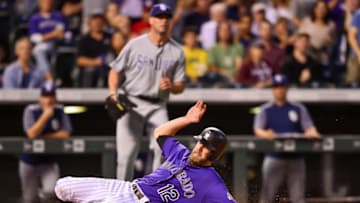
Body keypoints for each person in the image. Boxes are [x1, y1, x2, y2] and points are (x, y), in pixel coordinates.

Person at [55, 100, 237, 203]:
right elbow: (161, 133)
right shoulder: (181, 153)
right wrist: (188, 119)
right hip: (127, 188)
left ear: (213, 155)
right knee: (62, 187)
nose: (199, 147)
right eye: (200, 143)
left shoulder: (212, 183)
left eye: (205, 147)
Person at [108, 3, 186, 181]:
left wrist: (172, 86)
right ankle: (123, 197)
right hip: (131, 102)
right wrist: (113, 93)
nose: (163, 21)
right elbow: (114, 70)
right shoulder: (135, 44)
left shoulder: (177, 51)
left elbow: (181, 86)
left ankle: (153, 193)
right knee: (126, 155)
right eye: (159, 17)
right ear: (150, 20)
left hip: (157, 105)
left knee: (163, 148)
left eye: (167, 17)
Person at [254, 74, 320, 203]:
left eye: (282, 87)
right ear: (273, 89)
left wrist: (312, 132)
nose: (279, 90)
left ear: (286, 88)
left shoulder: (298, 108)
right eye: (276, 87)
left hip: (296, 158)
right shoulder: (265, 109)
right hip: (274, 157)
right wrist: (266, 134)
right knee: (267, 197)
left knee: (298, 198)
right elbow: (257, 130)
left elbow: (310, 128)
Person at [20, 81, 72, 203]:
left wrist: (43, 136)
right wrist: (45, 116)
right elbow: (31, 134)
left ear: (55, 97)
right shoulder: (31, 110)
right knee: (29, 198)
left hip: (49, 161)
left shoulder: (60, 110)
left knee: (51, 192)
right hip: (29, 161)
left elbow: (65, 133)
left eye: (51, 96)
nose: (48, 100)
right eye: (45, 96)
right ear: (40, 97)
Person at [29, 0, 72, 77]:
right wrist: (51, 35)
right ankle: (48, 75)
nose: (47, 4)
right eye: (45, 2)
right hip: (44, 44)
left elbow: (69, 34)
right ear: (40, 4)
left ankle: (57, 77)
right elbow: (33, 38)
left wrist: (63, 35)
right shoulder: (35, 18)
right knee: (38, 51)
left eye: (49, 2)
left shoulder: (59, 16)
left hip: (60, 43)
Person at [77, 12, 111, 87]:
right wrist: (96, 62)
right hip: (90, 69)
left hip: (108, 67)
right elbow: (80, 60)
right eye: (95, 21)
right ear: (90, 23)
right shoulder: (84, 40)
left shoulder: (109, 37)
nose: (97, 23)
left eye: (100, 21)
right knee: (90, 71)